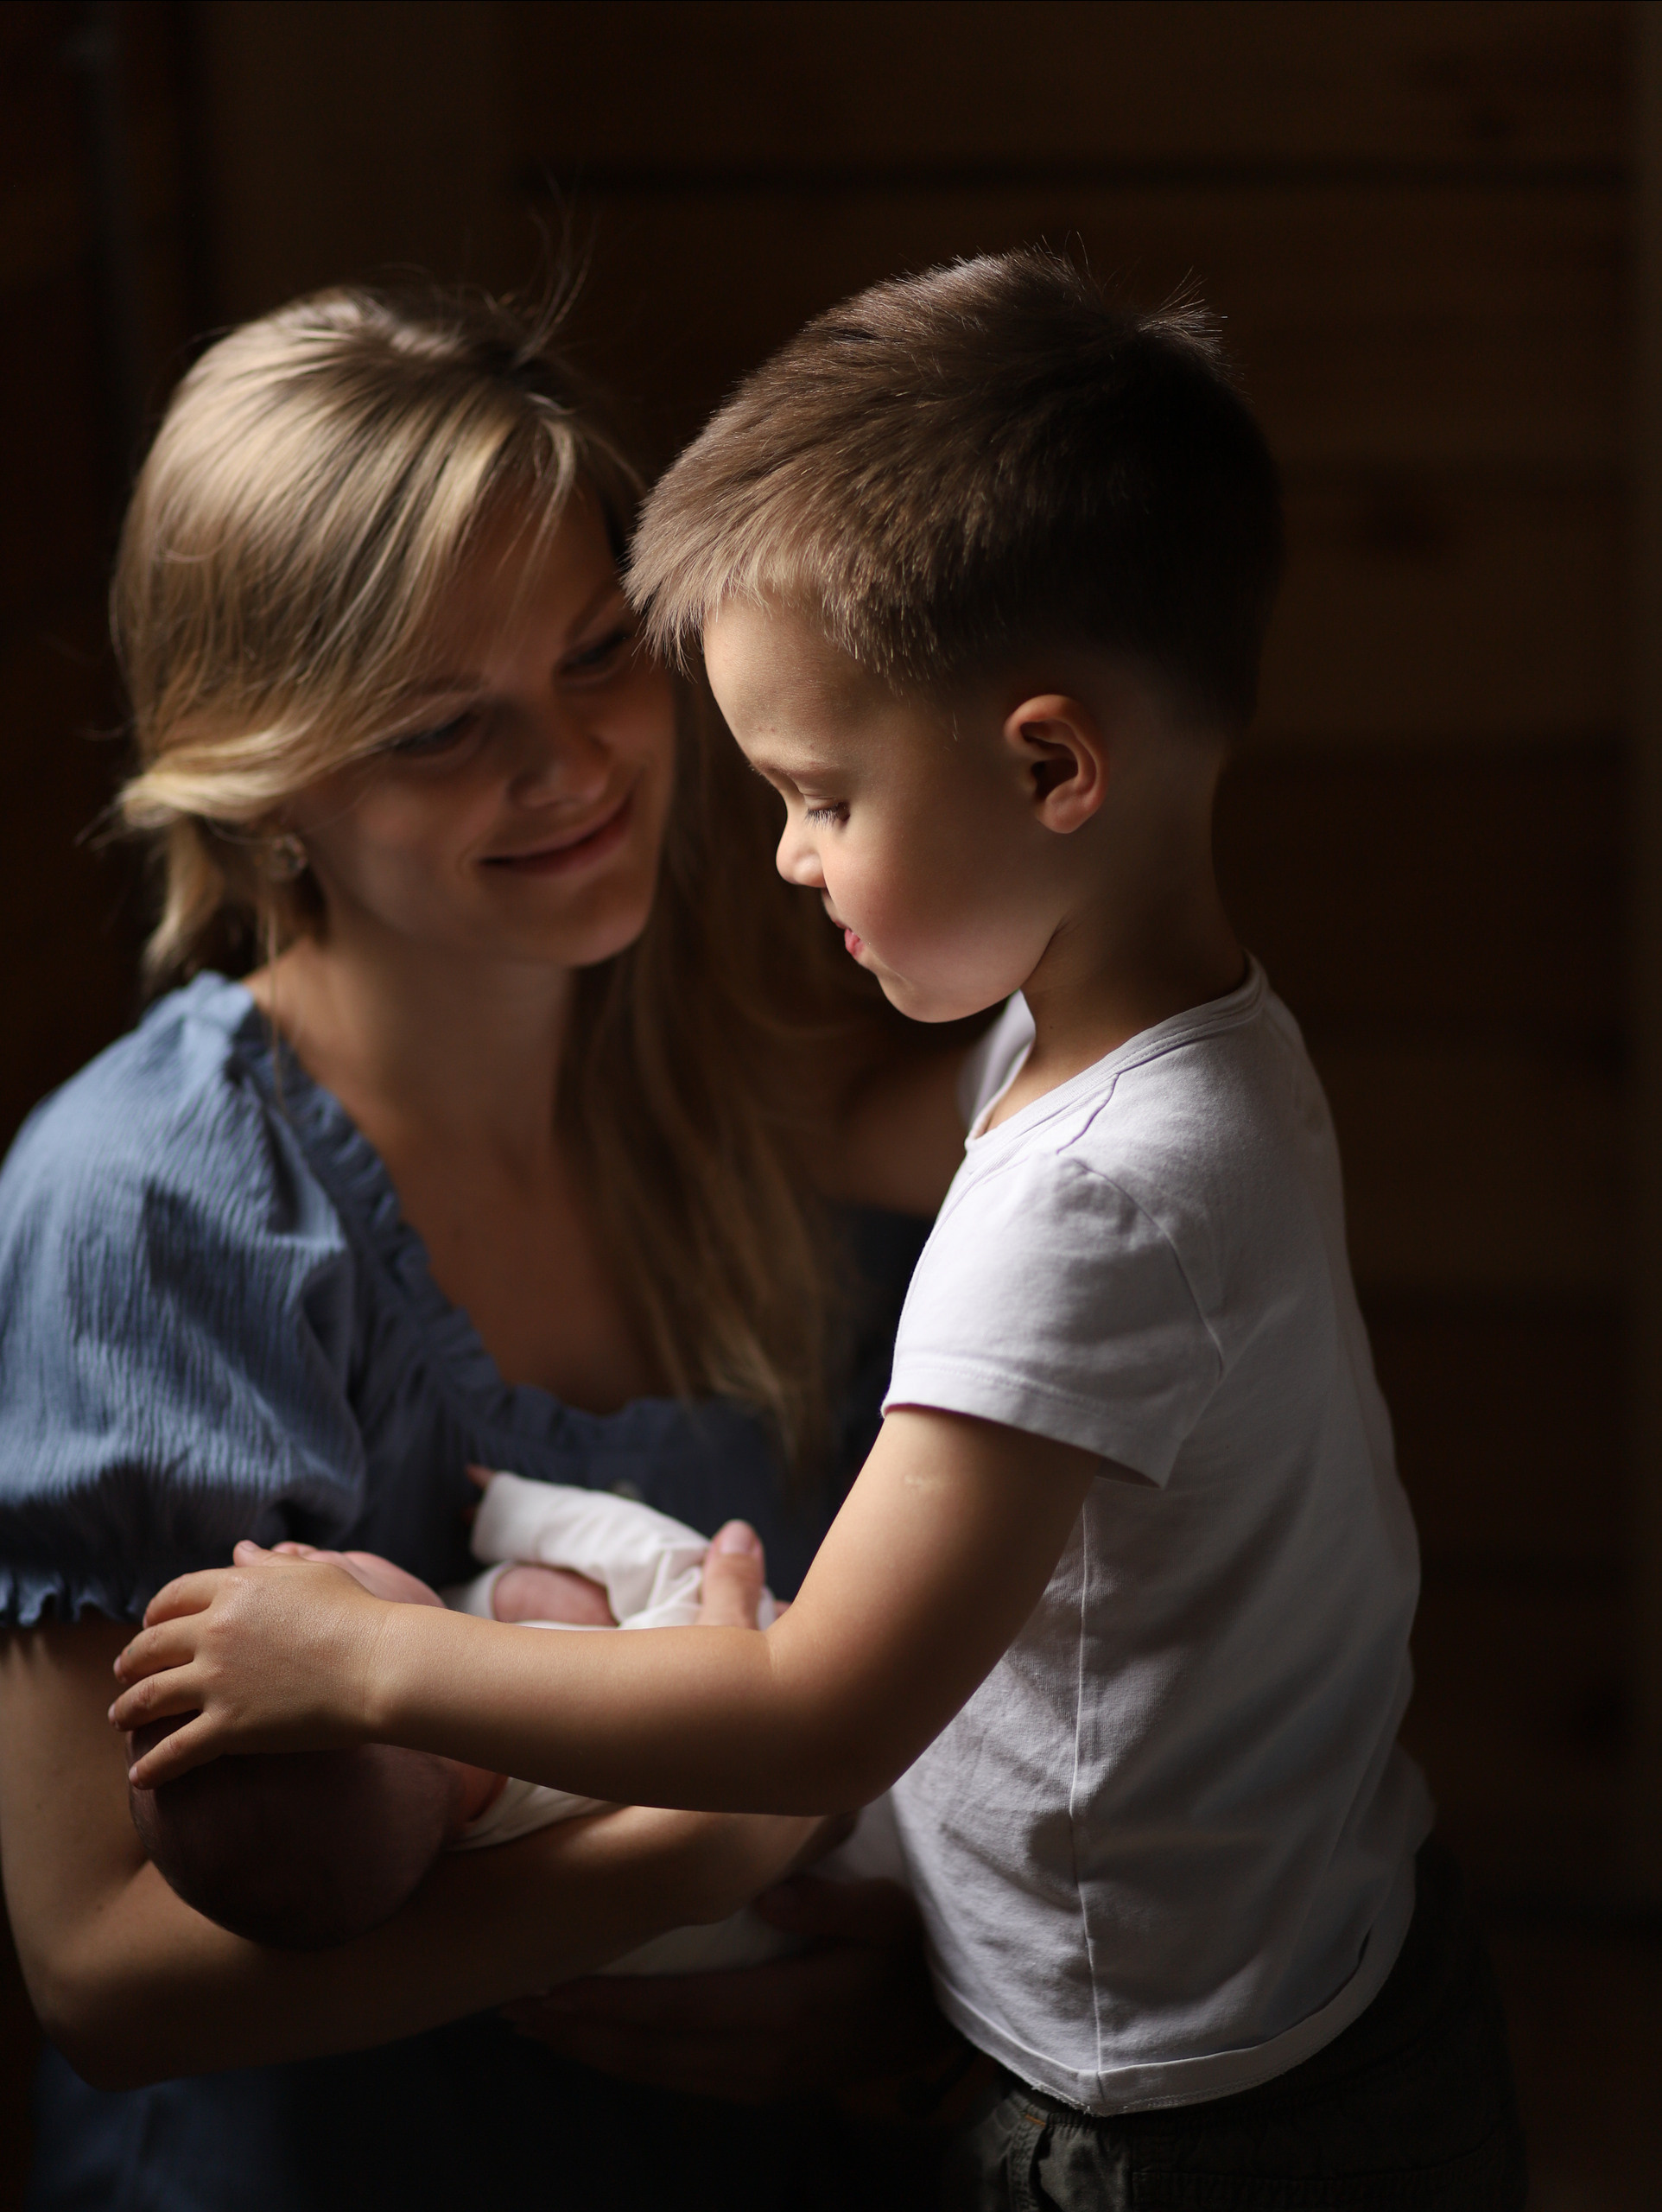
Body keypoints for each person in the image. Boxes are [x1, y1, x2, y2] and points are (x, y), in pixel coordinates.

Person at [117, 251, 1529, 2209]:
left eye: (820, 792)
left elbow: (813, 1705)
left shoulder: (1089, 1188)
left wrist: (363, 1669)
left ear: (1047, 764)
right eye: (439, 721)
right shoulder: (1138, 1046)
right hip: (1278, 1978)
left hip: (1158, 2119)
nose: (780, 852)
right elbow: (862, 1122)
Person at [0, 283, 972, 2212]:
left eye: (599, 651)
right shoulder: (147, 1200)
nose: (573, 762)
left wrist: (895, 2005)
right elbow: (98, 1971)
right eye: (445, 725)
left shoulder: (743, 1075)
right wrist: (701, 1850)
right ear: (267, 775)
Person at [133, 1472, 902, 1968]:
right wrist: (521, 1514)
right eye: (328, 1577)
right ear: (400, 1693)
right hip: (891, 1772)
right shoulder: (585, 1714)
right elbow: (674, 1570)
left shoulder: (513, 1888)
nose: (281, 1545)